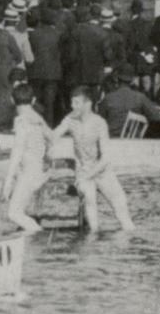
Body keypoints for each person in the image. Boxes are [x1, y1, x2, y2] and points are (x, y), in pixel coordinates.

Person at [54, 88, 134, 231]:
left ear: (88, 104)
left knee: (121, 208)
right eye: (72, 102)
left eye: (77, 103)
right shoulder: (70, 120)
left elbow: (105, 158)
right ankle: (92, 239)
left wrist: (88, 175)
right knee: (90, 198)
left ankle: (128, 241)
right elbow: (52, 137)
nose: (73, 106)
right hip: (83, 170)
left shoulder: (99, 123)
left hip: (102, 171)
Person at [0, 85, 50, 234]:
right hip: (40, 170)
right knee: (23, 212)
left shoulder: (21, 121)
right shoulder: (38, 119)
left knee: (14, 213)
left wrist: (8, 181)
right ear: (33, 100)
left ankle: (39, 236)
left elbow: (17, 152)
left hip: (29, 173)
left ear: (12, 100)